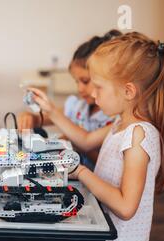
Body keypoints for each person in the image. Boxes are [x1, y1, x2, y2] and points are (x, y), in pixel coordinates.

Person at [28, 32, 164, 241]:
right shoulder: (121, 124)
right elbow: (85, 140)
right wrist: (51, 110)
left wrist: (81, 171)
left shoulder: (139, 136)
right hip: (106, 239)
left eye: (98, 87)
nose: (92, 95)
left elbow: (125, 207)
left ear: (128, 91)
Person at [19, 30, 121, 169]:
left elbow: (106, 167)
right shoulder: (78, 107)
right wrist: (31, 117)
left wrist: (75, 142)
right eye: (76, 82)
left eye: (85, 81)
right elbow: (45, 118)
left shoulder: (115, 120)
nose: (79, 89)